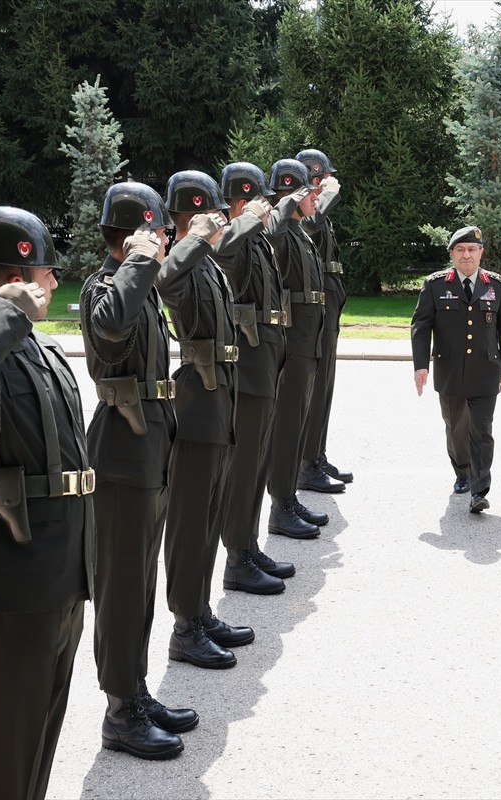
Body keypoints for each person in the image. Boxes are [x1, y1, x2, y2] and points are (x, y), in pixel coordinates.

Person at [80, 182, 195, 759]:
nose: (165, 239)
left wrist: (147, 263)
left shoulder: (140, 282)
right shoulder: (108, 285)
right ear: (132, 234)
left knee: (142, 583)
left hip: (150, 441)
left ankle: (136, 690)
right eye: (155, 231)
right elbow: (110, 327)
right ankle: (119, 712)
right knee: (123, 587)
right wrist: (139, 260)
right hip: (122, 450)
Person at [0, 206, 94, 799]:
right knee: (4, 741)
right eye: (38, 274)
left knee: (37, 740)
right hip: (9, 579)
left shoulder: (37, 348)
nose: (51, 284)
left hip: (59, 573)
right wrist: (2, 312)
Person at [157, 170, 252, 670]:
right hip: (198, 400)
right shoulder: (183, 262)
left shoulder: (209, 263)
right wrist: (192, 237)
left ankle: (200, 610)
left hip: (221, 397)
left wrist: (206, 240)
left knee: (211, 513)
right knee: (191, 520)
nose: (218, 220)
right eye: (207, 215)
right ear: (186, 218)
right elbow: (164, 277)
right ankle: (184, 626)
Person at [213, 162, 294, 594]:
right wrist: (243, 219)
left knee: (257, 462)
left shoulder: (258, 238)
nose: (269, 208)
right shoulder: (235, 237)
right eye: (260, 201)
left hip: (266, 359)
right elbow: (220, 250)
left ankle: (247, 544)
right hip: (248, 364)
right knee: (244, 466)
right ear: (241, 202)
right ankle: (236, 557)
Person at [410, 226, 501, 511]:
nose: (466, 254)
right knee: (456, 430)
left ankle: (479, 490)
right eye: (460, 249)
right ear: (452, 254)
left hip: (485, 371)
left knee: (482, 430)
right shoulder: (435, 285)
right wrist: (420, 366)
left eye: (472, 249)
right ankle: (462, 472)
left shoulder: (496, 285)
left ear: (481, 253)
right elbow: (421, 326)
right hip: (450, 370)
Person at [264, 159, 328, 539]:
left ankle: (288, 497)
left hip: (307, 336)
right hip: (293, 339)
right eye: (310, 192)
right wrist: (287, 202)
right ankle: (280, 505)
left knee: (297, 422)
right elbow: (268, 235)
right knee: (287, 426)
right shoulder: (281, 231)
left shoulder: (299, 231)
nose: (315, 198)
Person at [296, 148, 353, 491]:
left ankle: (316, 454)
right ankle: (306, 463)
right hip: (315, 305)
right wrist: (326, 197)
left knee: (325, 385)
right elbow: (309, 225)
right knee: (315, 388)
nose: (331, 183)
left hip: (328, 302)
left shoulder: (314, 211)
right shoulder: (301, 211)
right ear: (314, 180)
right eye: (324, 179)